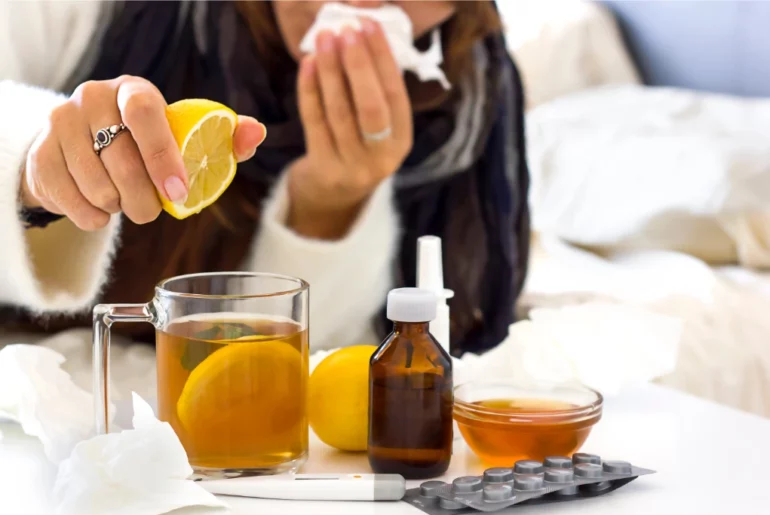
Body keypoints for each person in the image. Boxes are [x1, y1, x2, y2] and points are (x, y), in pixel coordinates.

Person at [0, 0, 530, 355]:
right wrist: (31, 163)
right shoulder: (93, 13)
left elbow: (311, 366)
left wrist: (328, 206)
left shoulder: (473, 102)